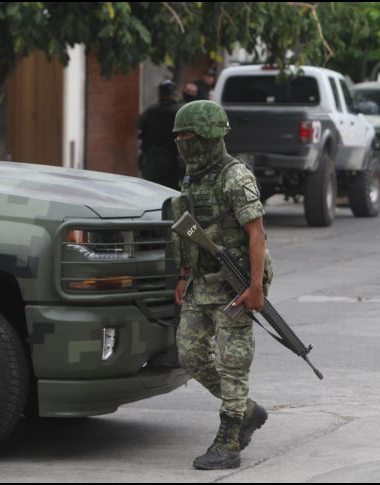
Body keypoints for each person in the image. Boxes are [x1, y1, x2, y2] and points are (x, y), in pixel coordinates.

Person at [170, 100, 272, 471]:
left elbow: (256, 233)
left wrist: (256, 288)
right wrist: (184, 275)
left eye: (190, 136)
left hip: (237, 284)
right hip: (201, 282)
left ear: (211, 137)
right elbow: (188, 232)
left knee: (233, 362)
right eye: (179, 136)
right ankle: (246, 410)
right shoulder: (192, 177)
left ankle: (229, 439)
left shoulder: (235, 176)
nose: (183, 142)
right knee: (190, 354)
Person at [137, 79, 183, 189]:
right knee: (169, 191)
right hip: (171, 159)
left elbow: (140, 128)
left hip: (151, 159)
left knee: (150, 190)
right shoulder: (179, 111)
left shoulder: (150, 111)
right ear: (174, 93)